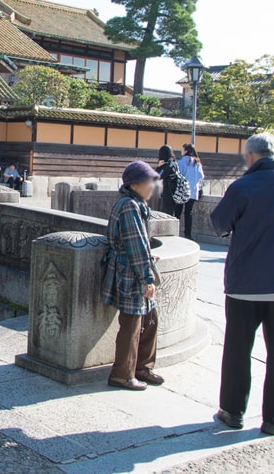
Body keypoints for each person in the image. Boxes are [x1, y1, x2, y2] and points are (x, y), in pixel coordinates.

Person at [210, 132, 274, 436]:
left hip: (245, 283)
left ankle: (232, 412)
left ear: (251, 156)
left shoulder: (242, 186)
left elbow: (218, 225)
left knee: (238, 350)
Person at [102, 160, 164, 391]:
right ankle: (122, 374)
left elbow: (139, 244)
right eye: (149, 182)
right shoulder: (129, 206)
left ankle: (142, 367)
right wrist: (147, 278)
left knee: (150, 319)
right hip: (130, 273)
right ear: (135, 184)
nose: (152, 186)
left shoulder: (135, 204)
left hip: (133, 268)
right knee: (131, 323)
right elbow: (135, 244)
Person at [177, 144, 205, 239]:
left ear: (185, 151)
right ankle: (188, 234)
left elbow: (178, 175)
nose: (181, 151)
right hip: (193, 191)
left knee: (178, 212)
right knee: (189, 213)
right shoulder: (197, 163)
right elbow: (201, 176)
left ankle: (175, 232)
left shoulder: (182, 162)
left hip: (182, 191)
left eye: (182, 149)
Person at [156, 145, 182, 217]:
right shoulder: (174, 163)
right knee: (171, 212)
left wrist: (158, 167)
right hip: (174, 192)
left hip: (168, 192)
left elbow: (157, 176)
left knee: (167, 214)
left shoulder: (167, 165)